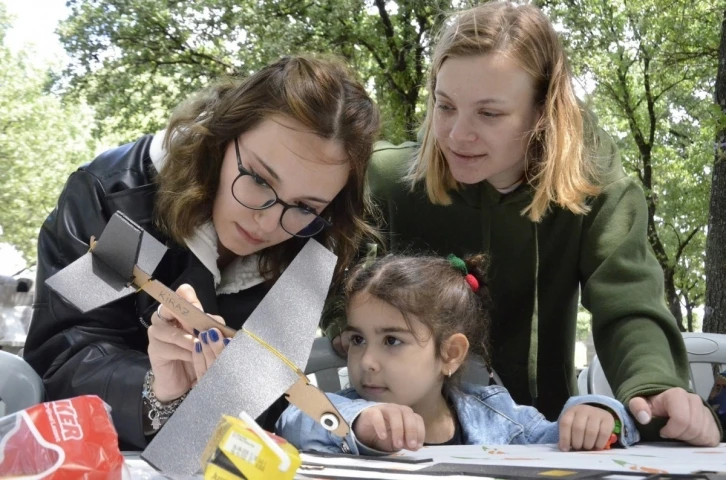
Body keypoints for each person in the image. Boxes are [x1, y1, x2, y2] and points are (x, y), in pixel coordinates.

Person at [323, 1, 722, 445]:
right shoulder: (384, 180)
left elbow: (627, 300)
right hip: (401, 441)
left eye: (489, 113)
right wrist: (345, 325)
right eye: (445, 105)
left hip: (543, 437)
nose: (457, 134)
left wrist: (655, 386)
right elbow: (320, 276)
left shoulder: (596, 192)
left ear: (541, 113)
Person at [24, 55, 381, 450]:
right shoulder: (124, 212)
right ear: (222, 137)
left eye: (304, 207)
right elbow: (66, 355)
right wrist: (154, 392)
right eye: (260, 179)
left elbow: (269, 400)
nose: (265, 222)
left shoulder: (314, 248)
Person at [278, 254, 640, 453]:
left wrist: (597, 412)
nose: (367, 361)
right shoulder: (340, 407)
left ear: (450, 353)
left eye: (391, 340)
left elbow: (553, 437)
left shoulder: (497, 417)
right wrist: (358, 423)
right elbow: (294, 420)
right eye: (358, 340)